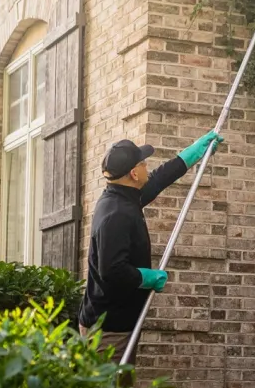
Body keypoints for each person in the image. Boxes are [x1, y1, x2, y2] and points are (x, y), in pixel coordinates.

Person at [78, 131, 222, 364]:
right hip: (108, 332)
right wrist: (147, 277)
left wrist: (193, 152)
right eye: (143, 163)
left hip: (117, 323)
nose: (147, 167)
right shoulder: (116, 214)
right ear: (134, 173)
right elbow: (111, 271)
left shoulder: (124, 196)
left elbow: (158, 179)